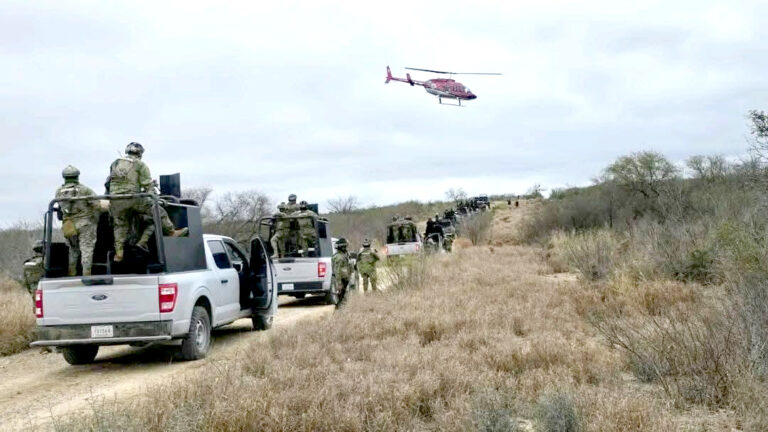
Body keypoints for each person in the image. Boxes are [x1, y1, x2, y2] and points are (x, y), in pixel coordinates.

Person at [107, 142, 188, 262]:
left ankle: (119, 253)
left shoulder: (115, 163)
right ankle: (171, 232)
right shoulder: (140, 164)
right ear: (140, 153)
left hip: (116, 200)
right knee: (158, 211)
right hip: (133, 199)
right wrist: (155, 198)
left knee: (120, 226)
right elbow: (147, 185)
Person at [55, 165, 100, 276]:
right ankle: (86, 275)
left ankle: (72, 274)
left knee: (73, 250)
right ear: (77, 176)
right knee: (86, 250)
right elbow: (97, 204)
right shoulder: (84, 190)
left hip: (69, 225)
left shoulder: (59, 191)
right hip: (85, 225)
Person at [332, 238, 353, 308]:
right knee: (341, 294)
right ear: (342, 247)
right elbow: (337, 271)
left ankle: (342, 307)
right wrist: (339, 283)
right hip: (341, 279)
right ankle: (339, 307)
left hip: (345, 277)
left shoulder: (344, 254)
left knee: (344, 294)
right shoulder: (339, 257)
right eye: (345, 246)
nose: (346, 248)